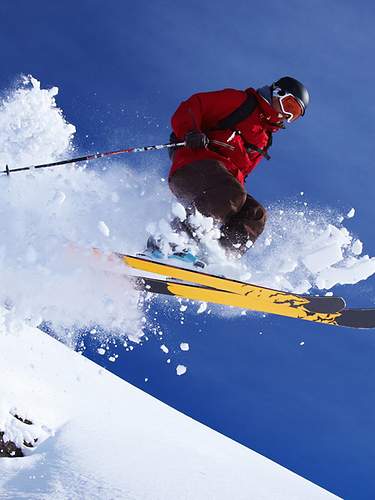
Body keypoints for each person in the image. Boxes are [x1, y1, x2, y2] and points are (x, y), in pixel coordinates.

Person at [166, 76, 309, 258]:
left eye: (293, 115)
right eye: (288, 106)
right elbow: (194, 105)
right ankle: (175, 240)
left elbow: (242, 174)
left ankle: (217, 257)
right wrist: (191, 131)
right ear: (277, 93)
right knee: (232, 192)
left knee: (255, 214)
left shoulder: (265, 139)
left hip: (223, 187)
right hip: (194, 166)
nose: (286, 115)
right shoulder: (241, 102)